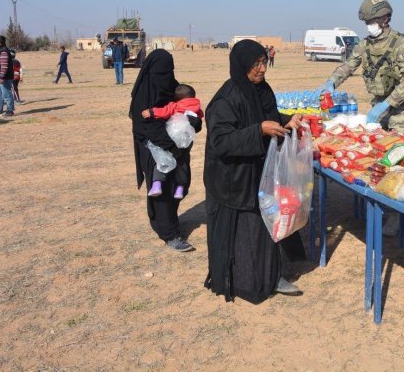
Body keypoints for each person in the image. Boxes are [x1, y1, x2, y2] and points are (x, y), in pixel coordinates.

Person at [203, 39, 306, 303]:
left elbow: (265, 114)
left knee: (264, 228)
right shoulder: (226, 99)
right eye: (255, 65)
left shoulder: (262, 89)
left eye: (264, 63)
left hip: (258, 172)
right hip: (232, 179)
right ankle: (244, 281)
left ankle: (271, 276)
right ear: (241, 66)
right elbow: (221, 141)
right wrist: (258, 131)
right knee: (244, 233)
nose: (262, 69)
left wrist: (286, 121)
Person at [130, 50, 200, 252]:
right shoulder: (143, 96)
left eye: (169, 70)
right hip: (153, 148)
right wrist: (169, 145)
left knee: (180, 184)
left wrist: (195, 123)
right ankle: (169, 233)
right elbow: (144, 127)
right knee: (161, 189)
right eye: (162, 71)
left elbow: (187, 111)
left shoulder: (173, 88)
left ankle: (170, 220)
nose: (166, 75)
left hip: (178, 147)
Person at [321, 0, 404, 132]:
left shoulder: (401, 44)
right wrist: (332, 82)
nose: (368, 26)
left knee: (398, 146)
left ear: (385, 19)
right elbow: (349, 65)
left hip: (400, 111)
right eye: (367, 22)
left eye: (371, 22)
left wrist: (387, 104)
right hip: (377, 106)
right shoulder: (365, 44)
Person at [141, 83, 204, 200]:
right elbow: (200, 117)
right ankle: (180, 189)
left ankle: (157, 184)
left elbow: (164, 111)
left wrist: (151, 112)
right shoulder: (197, 106)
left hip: (173, 137)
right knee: (183, 161)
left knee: (162, 159)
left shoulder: (175, 105)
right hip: (187, 140)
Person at [0, 35, 15, 117]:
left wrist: (2, 77)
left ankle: (10, 110)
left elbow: (4, 65)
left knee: (7, 94)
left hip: (4, 77)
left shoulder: (3, 51)